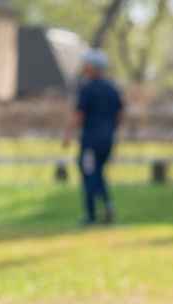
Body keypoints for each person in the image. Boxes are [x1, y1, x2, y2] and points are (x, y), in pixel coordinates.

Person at [63, 50, 124, 226]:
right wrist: (112, 131)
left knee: (89, 174)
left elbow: (79, 115)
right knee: (97, 173)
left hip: (90, 141)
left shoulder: (87, 88)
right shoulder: (112, 88)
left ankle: (91, 215)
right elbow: (120, 114)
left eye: (87, 65)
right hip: (107, 140)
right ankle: (107, 205)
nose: (84, 68)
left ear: (94, 67)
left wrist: (68, 134)